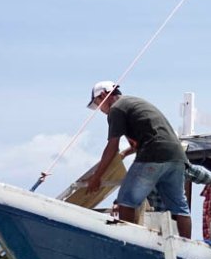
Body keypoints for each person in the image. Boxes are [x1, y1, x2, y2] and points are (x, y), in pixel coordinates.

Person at [79, 81, 194, 238]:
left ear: (104, 95)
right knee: (179, 207)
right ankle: (187, 248)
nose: (100, 109)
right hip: (177, 156)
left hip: (153, 155)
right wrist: (125, 154)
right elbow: (139, 141)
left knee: (126, 200)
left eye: (98, 104)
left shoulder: (116, 109)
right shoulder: (135, 102)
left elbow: (112, 147)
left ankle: (129, 240)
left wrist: (96, 177)